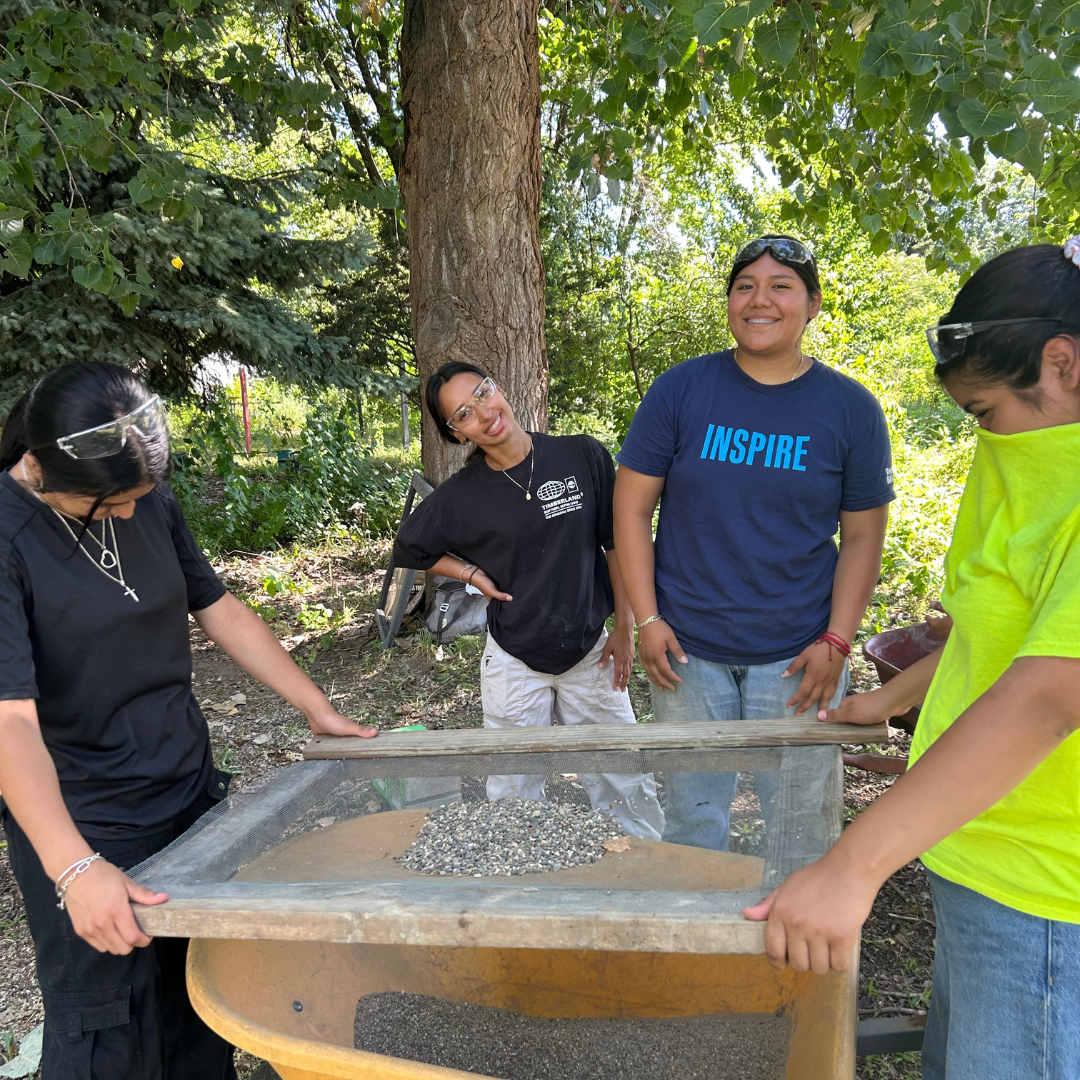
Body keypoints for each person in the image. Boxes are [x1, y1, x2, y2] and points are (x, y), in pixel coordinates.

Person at [744, 241, 1080, 1080]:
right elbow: (998, 631)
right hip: (975, 853)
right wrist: (892, 696)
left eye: (986, 411)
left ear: (1063, 363)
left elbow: (1051, 693)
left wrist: (852, 866)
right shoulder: (1031, 458)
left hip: (1045, 896)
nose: (985, 436)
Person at [0, 363, 377, 1080]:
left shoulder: (147, 501)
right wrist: (76, 869)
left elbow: (218, 607)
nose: (131, 516)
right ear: (38, 468)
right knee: (111, 1031)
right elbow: (8, 722)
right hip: (89, 821)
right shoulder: (7, 536)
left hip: (186, 797)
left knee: (198, 1008)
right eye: (109, 504)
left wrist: (315, 706)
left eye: (142, 497)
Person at [613, 235, 894, 850]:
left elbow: (864, 537)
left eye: (781, 286)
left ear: (813, 304)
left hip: (798, 654)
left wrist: (838, 642)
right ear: (730, 301)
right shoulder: (681, 390)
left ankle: (791, 945)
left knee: (800, 826)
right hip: (687, 651)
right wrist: (647, 619)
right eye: (745, 286)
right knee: (694, 819)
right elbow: (630, 510)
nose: (759, 299)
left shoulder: (850, 410)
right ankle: (697, 940)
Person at [392, 361, 665, 840]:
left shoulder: (581, 455)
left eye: (482, 392)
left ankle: (643, 875)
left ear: (497, 386)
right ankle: (525, 886)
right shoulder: (461, 496)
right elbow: (410, 548)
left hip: (590, 650)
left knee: (623, 774)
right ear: (457, 435)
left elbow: (616, 544)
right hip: (514, 659)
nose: (482, 412)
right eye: (462, 414)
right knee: (514, 790)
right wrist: (470, 572)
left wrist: (625, 627)